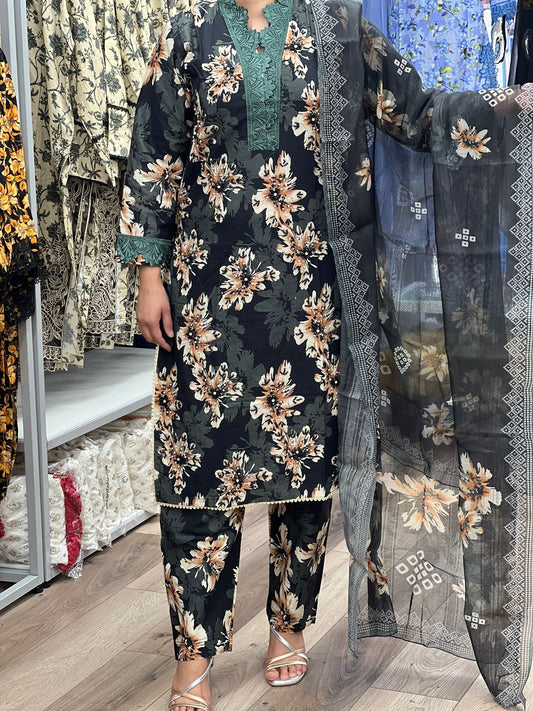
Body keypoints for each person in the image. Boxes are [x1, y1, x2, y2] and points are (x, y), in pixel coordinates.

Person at [118, 0, 533, 709]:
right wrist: (149, 275)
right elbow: (154, 155)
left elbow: (420, 114)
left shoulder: (339, 28)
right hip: (206, 296)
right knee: (195, 474)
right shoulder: (185, 33)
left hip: (314, 297)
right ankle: (193, 650)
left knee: (305, 473)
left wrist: (513, 108)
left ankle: (288, 624)